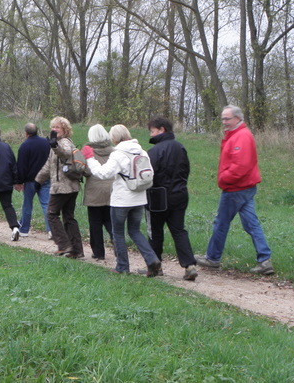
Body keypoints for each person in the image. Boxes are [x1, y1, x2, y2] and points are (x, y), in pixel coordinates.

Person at [195, 105, 274, 275]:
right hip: (245, 187)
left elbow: (241, 166)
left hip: (236, 188)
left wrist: (224, 179)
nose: (224, 122)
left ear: (237, 118)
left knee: (221, 223)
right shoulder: (237, 135)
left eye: (227, 119)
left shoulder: (241, 137)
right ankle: (264, 260)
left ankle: (212, 258)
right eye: (222, 119)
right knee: (251, 224)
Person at [82, 125, 162, 276]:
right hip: (139, 198)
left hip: (122, 200)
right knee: (135, 231)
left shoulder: (118, 154)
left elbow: (103, 173)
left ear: (114, 138)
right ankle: (152, 259)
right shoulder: (142, 151)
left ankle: (122, 266)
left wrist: (90, 158)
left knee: (118, 232)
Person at [146, 116, 197, 281]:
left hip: (158, 197)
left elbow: (148, 175)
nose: (151, 135)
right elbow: (186, 170)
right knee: (179, 230)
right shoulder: (180, 148)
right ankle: (189, 265)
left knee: (155, 231)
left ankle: (155, 266)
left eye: (152, 131)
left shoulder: (154, 151)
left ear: (162, 130)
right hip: (180, 194)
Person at [35, 116, 85, 258]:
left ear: (65, 129)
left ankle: (64, 246)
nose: (54, 129)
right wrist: (37, 180)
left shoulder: (64, 142)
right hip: (69, 187)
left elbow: (65, 153)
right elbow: (48, 166)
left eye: (57, 127)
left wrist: (55, 146)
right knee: (69, 218)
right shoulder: (55, 144)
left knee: (51, 214)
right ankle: (77, 250)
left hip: (63, 187)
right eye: (53, 127)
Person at [82, 124, 114, 260]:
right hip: (111, 189)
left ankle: (98, 252)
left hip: (94, 191)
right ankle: (119, 248)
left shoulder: (88, 151)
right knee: (110, 222)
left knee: (95, 223)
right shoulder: (114, 150)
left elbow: (87, 171)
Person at [14, 123, 51, 238]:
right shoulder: (46, 143)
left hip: (30, 180)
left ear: (26, 133)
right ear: (37, 131)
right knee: (46, 204)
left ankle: (24, 229)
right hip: (45, 177)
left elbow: (21, 166)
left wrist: (19, 181)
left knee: (27, 204)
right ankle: (51, 230)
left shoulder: (24, 146)